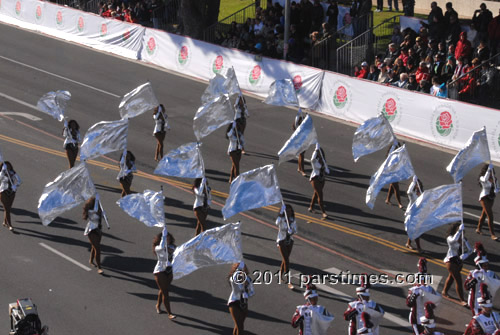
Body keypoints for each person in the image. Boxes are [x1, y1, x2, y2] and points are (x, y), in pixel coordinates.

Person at [465, 243, 499, 316]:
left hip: (487, 301)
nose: (486, 267)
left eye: (487, 265)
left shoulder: (491, 273)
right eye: (484, 265)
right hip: (475, 301)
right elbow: (466, 287)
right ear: (479, 265)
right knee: (478, 318)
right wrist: (475, 279)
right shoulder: (472, 273)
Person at [406, 258, 436, 334]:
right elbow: (408, 303)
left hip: (425, 318)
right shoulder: (413, 290)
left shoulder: (429, 289)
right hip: (415, 318)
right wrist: (415, 294)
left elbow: (434, 304)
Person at [442, 222, 468, 306]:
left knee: (451, 277)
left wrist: (466, 254)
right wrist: (459, 231)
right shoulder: (450, 238)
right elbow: (453, 240)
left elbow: (469, 249)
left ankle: (444, 291)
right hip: (451, 261)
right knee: (458, 280)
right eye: (460, 229)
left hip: (459, 261)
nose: (462, 232)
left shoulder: (463, 238)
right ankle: (462, 300)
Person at [152, 228, 176, 319]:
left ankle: (158, 305)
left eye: (169, 239)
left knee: (163, 290)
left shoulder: (173, 247)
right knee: (165, 292)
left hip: (169, 271)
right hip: (160, 271)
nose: (168, 240)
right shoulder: (158, 248)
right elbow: (162, 247)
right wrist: (163, 238)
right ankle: (169, 313)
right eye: (166, 238)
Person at [228, 261, 255, 335]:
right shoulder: (233, 279)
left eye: (244, 268)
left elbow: (252, 292)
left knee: (239, 326)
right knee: (240, 327)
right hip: (234, 302)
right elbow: (236, 285)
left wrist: (247, 292)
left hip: (244, 303)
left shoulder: (248, 279)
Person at [83, 196, 107, 274]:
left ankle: (91, 260)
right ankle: (99, 267)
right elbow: (94, 216)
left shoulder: (98, 210)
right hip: (92, 230)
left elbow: (103, 218)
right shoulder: (91, 211)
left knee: (94, 246)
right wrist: (99, 212)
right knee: (98, 248)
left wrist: (104, 215)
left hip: (99, 230)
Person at [276, 204, 297, 290]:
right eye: (286, 211)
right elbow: (277, 222)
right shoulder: (281, 219)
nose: (288, 212)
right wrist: (280, 214)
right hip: (281, 241)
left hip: (290, 241)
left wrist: (292, 231)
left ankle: (280, 276)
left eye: (290, 211)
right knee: (287, 260)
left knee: (285, 259)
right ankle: (289, 281)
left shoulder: (293, 220)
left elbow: (296, 230)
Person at [476, 164, 498, 240]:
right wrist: (488, 170)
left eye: (492, 170)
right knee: (490, 216)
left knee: (484, 214)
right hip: (484, 197)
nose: (492, 172)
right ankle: (492, 234)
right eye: (490, 170)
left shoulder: (494, 178)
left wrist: (497, 190)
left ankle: (478, 229)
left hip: (491, 198)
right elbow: (485, 180)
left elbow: (497, 187)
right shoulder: (482, 178)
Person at [308, 143, 329, 219]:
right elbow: (312, 159)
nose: (320, 154)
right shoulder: (315, 162)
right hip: (315, 178)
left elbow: (326, 170)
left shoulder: (323, 161)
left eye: (321, 153)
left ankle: (311, 207)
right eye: (319, 153)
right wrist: (316, 150)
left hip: (322, 178)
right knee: (320, 194)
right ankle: (323, 212)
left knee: (316, 193)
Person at [0, 162, 21, 231]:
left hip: (11, 192)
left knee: (8, 208)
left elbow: (19, 180)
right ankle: (10, 225)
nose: (8, 167)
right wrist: (3, 171)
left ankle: (5, 222)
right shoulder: (1, 173)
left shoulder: (13, 173)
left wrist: (16, 185)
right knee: (7, 208)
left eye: (8, 166)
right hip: (3, 191)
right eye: (6, 166)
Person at [405, 176, 423, 251]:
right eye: (417, 185)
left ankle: (408, 243)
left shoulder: (422, 194)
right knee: (416, 232)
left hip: (418, 216)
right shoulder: (413, 195)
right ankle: (419, 247)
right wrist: (413, 182)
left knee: (414, 231)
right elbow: (409, 192)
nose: (418, 187)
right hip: (411, 216)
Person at [385, 144, 404, 209]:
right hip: (391, 172)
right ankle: (399, 203)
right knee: (396, 187)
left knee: (392, 186)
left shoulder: (398, 155)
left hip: (396, 172)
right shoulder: (390, 156)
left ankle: (387, 199)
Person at [293, 109, 307, 177]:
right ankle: (302, 170)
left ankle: (299, 168)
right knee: (302, 155)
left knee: (301, 155)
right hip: (299, 142)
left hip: (303, 141)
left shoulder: (302, 126)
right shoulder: (297, 126)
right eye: (301, 119)